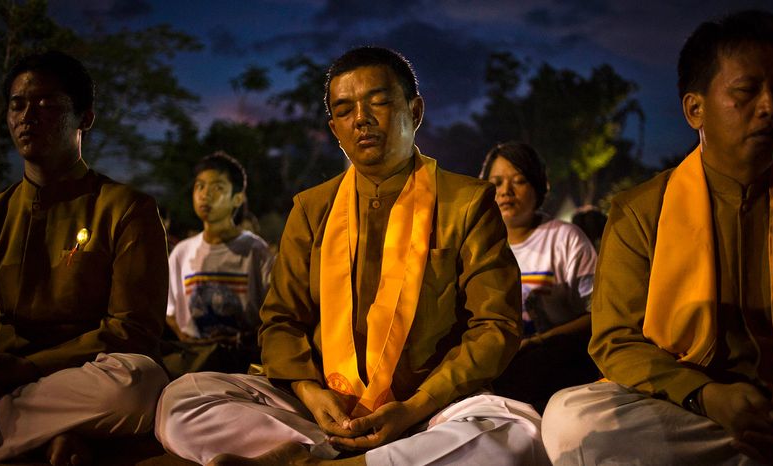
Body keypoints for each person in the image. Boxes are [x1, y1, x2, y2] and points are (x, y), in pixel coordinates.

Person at [155, 46, 549, 466]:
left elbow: (495, 326)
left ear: (415, 112)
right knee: (181, 400)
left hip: (431, 410)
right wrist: (310, 391)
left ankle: (318, 461)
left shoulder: (467, 202)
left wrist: (416, 407)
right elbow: (281, 321)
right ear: (335, 129)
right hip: (322, 411)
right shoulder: (311, 208)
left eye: (378, 102)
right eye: (345, 110)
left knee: (514, 432)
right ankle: (346, 454)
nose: (361, 118)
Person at [542, 10, 773, 465]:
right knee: (572, 418)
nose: (770, 107)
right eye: (747, 91)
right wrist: (707, 396)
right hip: (688, 406)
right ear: (694, 108)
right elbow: (615, 339)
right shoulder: (642, 210)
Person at [0, 51, 169, 465]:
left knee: (139, 384)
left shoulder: (126, 208)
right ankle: (52, 434)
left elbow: (133, 331)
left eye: (48, 105)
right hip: (1, 380)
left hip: (88, 376)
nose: (29, 116)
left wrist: (27, 369)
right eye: (18, 104)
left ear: (85, 119)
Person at [479, 141, 599, 412]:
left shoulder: (564, 238)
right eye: (496, 183)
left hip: (558, 371)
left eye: (518, 181)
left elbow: (600, 312)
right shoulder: (478, 247)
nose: (505, 191)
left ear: (537, 185)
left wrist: (540, 342)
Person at [163, 151, 274, 377]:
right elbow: (170, 310)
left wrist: (243, 338)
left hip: (242, 361)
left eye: (217, 188)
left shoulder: (255, 251)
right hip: (194, 361)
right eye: (200, 186)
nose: (205, 195)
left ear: (237, 198)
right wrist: (185, 337)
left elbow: (274, 313)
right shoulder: (181, 253)